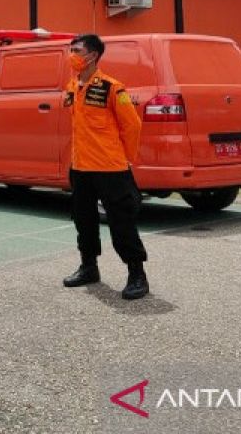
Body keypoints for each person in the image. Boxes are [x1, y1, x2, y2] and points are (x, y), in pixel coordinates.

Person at [61, 33, 149, 299]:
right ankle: (89, 266)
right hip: (81, 167)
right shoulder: (72, 87)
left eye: (77, 50)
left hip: (110, 168)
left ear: (93, 56)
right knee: (84, 220)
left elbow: (132, 125)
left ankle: (137, 274)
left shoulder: (112, 88)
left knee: (121, 222)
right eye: (71, 50)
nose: (71, 55)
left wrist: (125, 158)